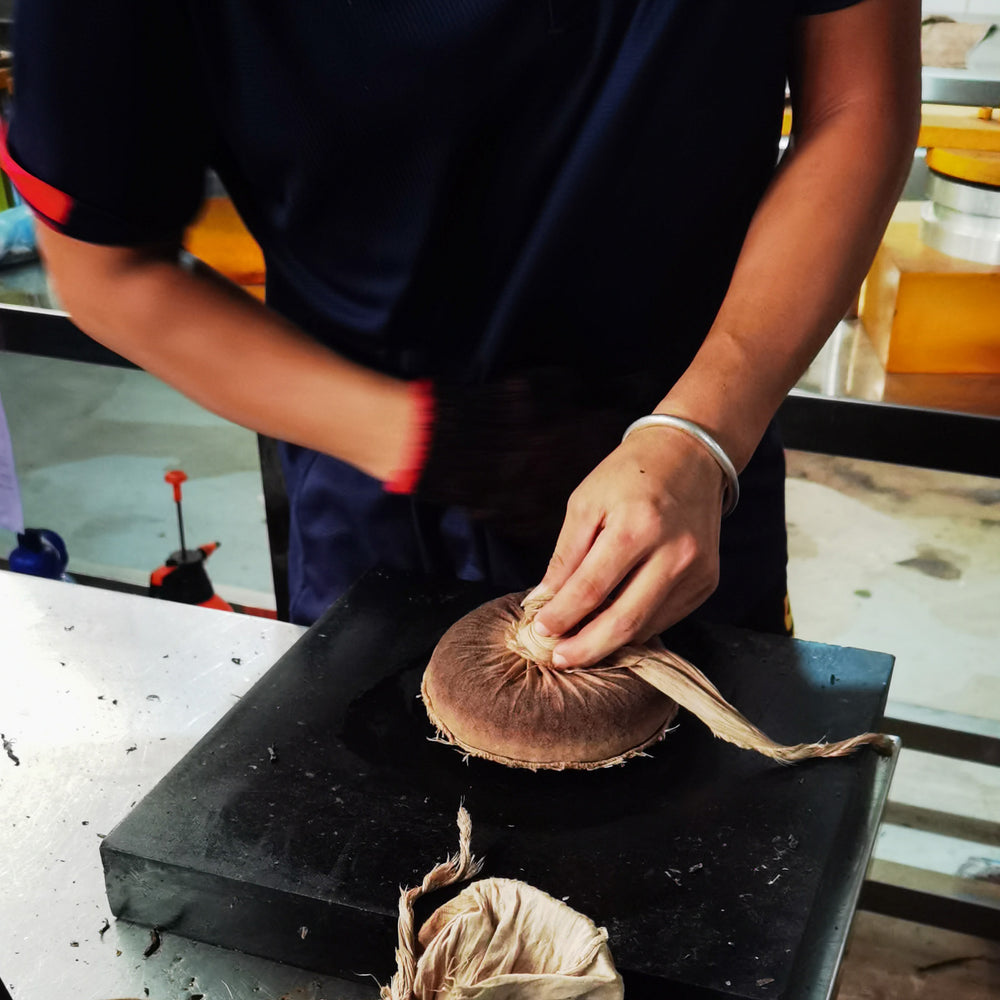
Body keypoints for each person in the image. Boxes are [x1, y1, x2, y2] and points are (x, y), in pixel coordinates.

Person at [3, 0, 919, 668]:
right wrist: (439, 443)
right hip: (378, 477)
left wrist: (705, 425)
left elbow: (856, 102)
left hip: (696, 446)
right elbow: (106, 269)